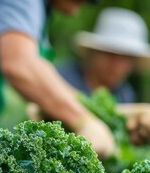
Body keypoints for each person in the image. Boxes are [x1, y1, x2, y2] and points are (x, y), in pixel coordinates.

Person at [0, 0, 116, 159]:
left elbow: (46, 79)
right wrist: (83, 120)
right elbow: (20, 65)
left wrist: (112, 114)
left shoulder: (40, 12)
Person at [57, 7, 150, 145]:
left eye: (126, 58)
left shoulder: (125, 93)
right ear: (95, 53)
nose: (118, 66)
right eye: (111, 55)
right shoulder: (63, 77)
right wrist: (137, 110)